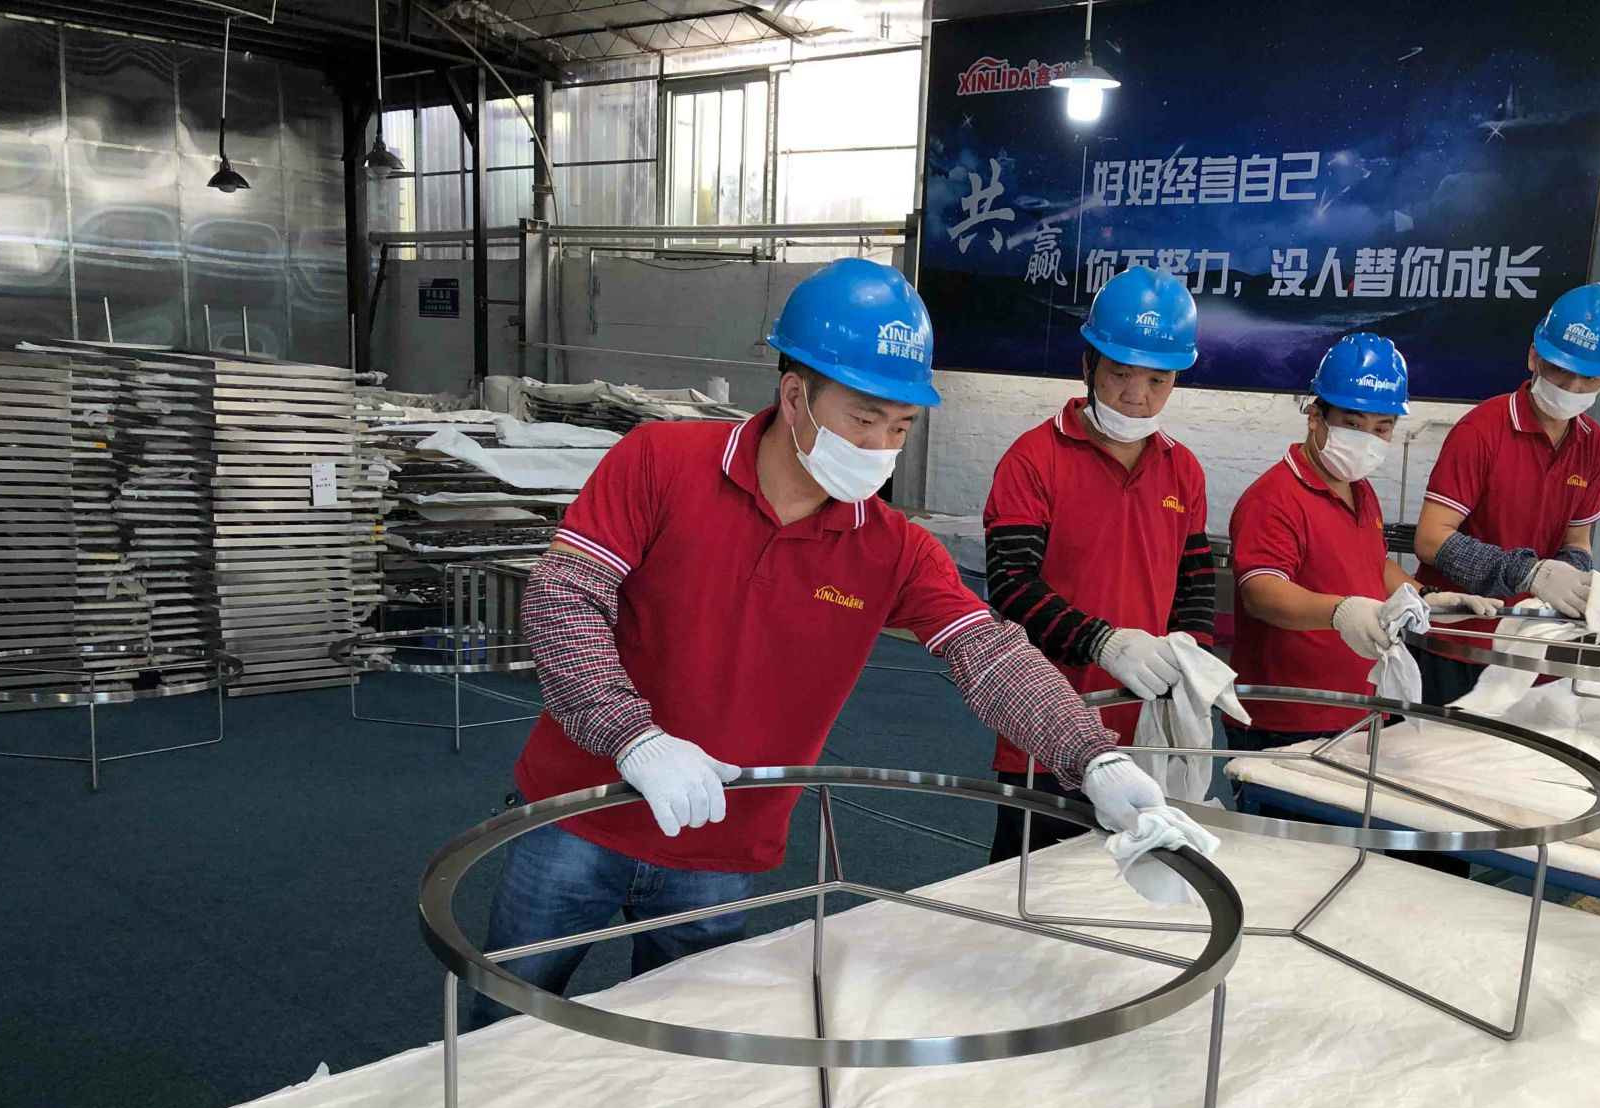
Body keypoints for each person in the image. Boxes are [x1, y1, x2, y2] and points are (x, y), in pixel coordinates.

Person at [466, 258, 1182, 1030]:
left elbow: (989, 654)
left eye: (901, 428)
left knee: (678, 1055)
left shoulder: (893, 547)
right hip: (577, 814)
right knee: (500, 1029)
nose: (880, 447)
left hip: (721, 838)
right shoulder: (660, 463)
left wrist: (1091, 757)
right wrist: (631, 736)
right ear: (794, 396)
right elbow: (564, 599)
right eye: (864, 420)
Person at [981, 264, 1216, 861]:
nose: (1137, 395)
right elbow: (1011, 586)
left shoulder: (1182, 469)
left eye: (1158, 379)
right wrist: (1102, 643)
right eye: (1120, 373)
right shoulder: (1034, 458)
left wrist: (1191, 659)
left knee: (1134, 891)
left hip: (1148, 728)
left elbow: (1194, 580)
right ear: (1087, 364)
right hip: (1047, 723)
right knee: (1028, 886)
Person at [1227, 333, 1498, 761]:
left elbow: (1373, 562)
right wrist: (1341, 612)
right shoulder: (1273, 498)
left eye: (1382, 428)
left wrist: (1425, 596)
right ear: (1315, 416)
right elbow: (1261, 593)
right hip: (1289, 716)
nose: (1367, 439)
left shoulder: (1361, 490)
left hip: (1361, 705)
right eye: (1352, 425)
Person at [1410, 282, 1600, 705]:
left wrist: (1571, 580)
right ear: (1534, 356)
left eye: (1588, 377)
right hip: (1455, 639)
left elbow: (1577, 539)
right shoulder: (1482, 431)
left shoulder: (1591, 442)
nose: (1571, 387)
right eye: (1559, 370)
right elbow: (1431, 539)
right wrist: (1529, 573)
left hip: (1530, 641)